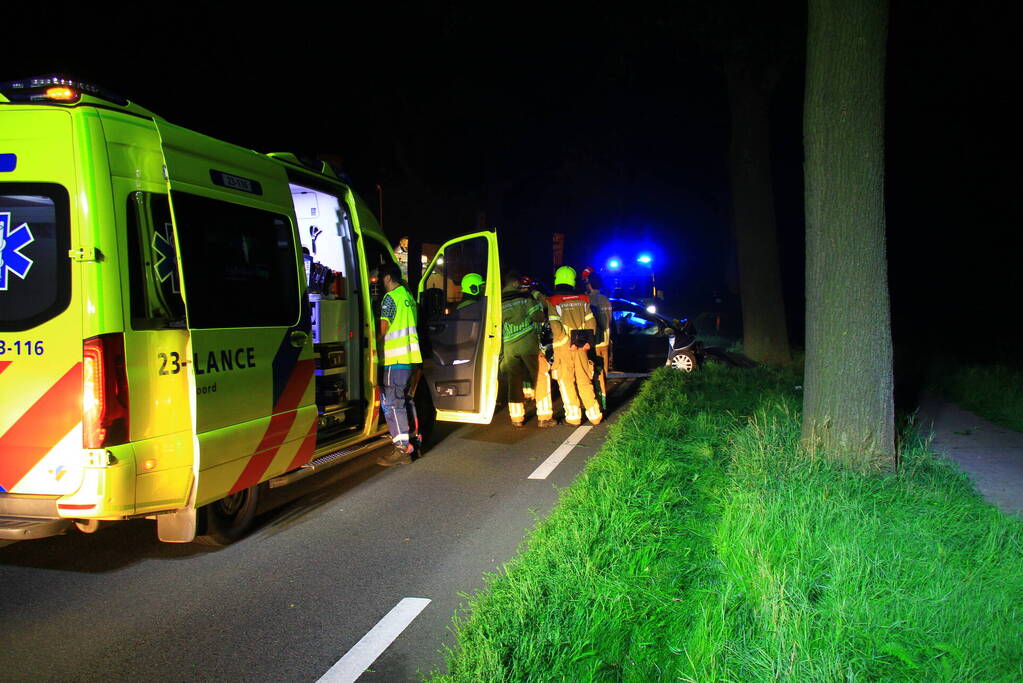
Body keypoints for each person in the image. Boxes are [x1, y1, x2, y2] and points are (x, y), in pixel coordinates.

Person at [375, 262, 422, 466]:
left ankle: (402, 449)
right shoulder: (408, 297)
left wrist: (370, 345)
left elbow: (383, 329)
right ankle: (413, 442)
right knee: (406, 400)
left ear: (387, 278)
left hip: (394, 359)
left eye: (380, 278)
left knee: (393, 403)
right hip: (410, 359)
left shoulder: (390, 297)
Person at [547, 266, 602, 426]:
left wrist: (566, 342)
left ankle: (573, 417)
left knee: (566, 382)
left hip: (563, 349)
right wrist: (585, 342)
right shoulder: (583, 299)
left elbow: (555, 325)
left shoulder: (552, 301)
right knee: (584, 380)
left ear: (557, 280)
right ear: (572, 280)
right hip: (581, 347)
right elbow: (591, 321)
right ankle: (595, 415)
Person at [499, 269, 544, 427]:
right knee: (538, 376)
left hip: (509, 347)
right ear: (514, 283)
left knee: (514, 380)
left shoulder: (499, 303)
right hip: (528, 344)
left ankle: (516, 417)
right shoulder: (525, 299)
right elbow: (538, 317)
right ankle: (543, 415)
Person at [584, 270, 613, 406]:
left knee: (595, 372)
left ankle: (597, 401)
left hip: (593, 342)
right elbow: (610, 320)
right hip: (605, 341)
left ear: (589, 284)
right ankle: (604, 402)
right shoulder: (606, 300)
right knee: (604, 373)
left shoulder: (587, 300)